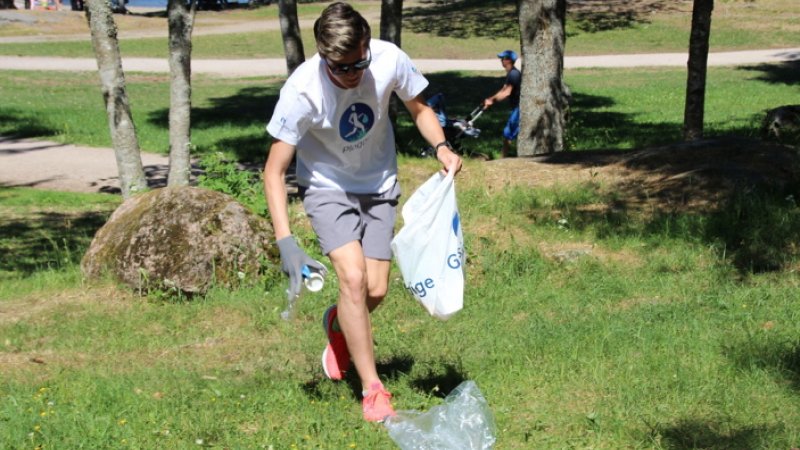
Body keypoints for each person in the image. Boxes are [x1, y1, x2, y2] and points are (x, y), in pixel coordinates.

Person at [263, 2, 462, 423]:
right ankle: (373, 389)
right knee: (352, 279)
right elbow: (274, 170)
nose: (352, 75)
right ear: (322, 56)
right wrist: (286, 242)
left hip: (379, 184)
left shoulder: (389, 59)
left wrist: (441, 146)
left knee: (374, 291)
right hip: (327, 187)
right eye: (341, 68)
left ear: (368, 46)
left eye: (359, 64)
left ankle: (338, 325)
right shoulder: (302, 91)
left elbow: (419, 108)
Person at [482, 50, 521, 157]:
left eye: (503, 58)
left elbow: (507, 93)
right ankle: (506, 156)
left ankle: (503, 158)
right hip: (516, 107)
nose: (501, 60)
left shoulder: (514, 74)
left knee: (508, 132)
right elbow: (503, 90)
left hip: (519, 108)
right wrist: (490, 99)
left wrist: (492, 101)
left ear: (509, 60)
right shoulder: (511, 73)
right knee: (510, 133)